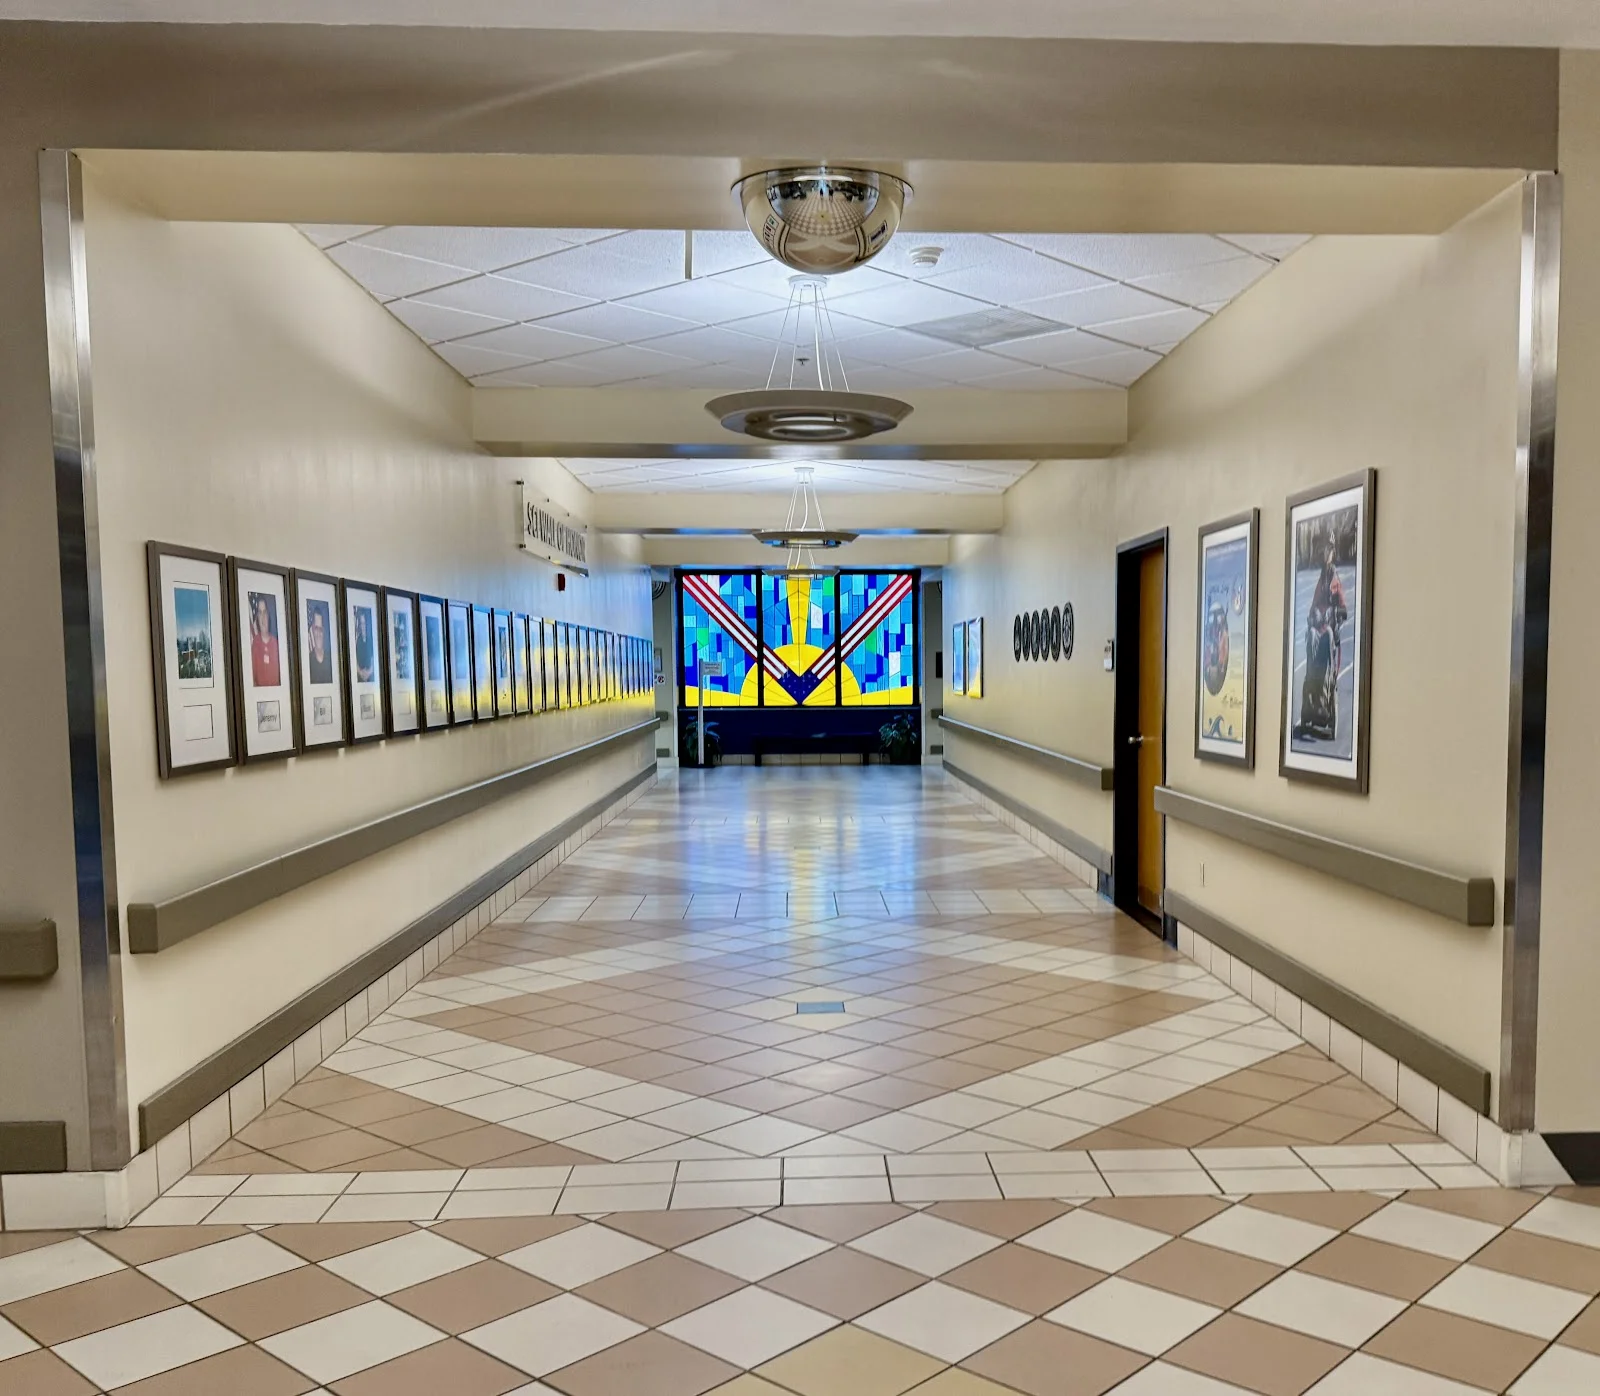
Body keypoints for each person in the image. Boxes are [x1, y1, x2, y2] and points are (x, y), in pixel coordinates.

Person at [1296, 533, 1348, 742]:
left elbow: (1342, 604)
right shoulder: (1321, 577)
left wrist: (1336, 613)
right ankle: (1312, 694)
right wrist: (1313, 615)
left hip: (1329, 630)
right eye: (1324, 549)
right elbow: (1314, 603)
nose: (1325, 553)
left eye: (1329, 549)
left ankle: (1324, 695)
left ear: (1333, 552)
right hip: (1317, 628)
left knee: (1326, 635)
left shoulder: (1334, 576)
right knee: (1310, 634)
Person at [250, 594, 281, 688]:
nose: (263, 617)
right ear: (257, 618)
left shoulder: (277, 644)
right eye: (260, 613)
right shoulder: (255, 644)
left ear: (268, 615)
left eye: (265, 612)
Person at [306, 602, 333, 685]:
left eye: (320, 629)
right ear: (312, 630)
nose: (318, 633)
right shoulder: (308, 662)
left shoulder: (331, 660)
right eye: (316, 628)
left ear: (324, 631)